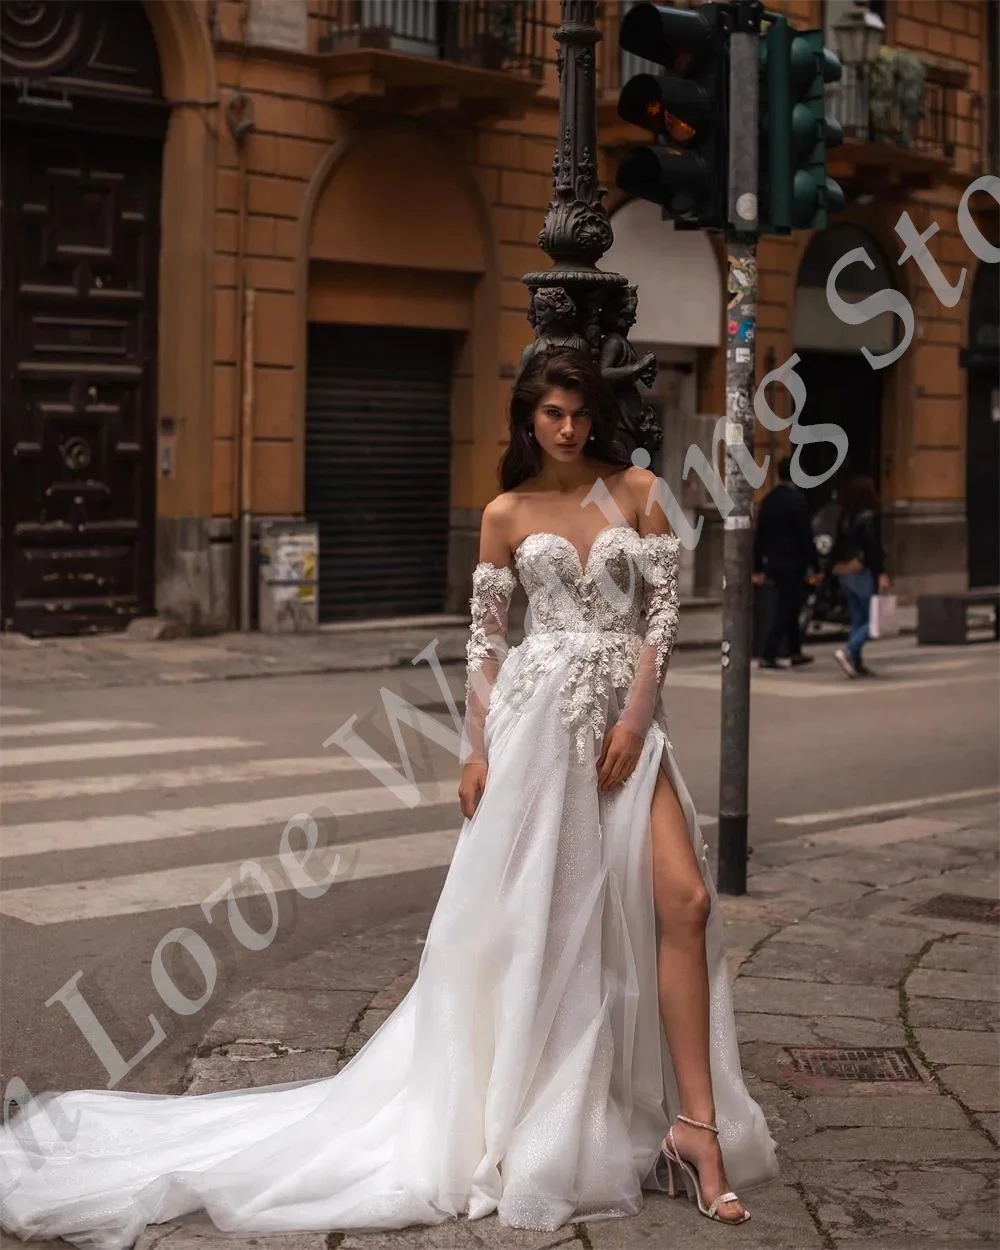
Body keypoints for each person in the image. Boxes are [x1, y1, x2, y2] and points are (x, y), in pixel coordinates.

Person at [0, 351, 777, 1250]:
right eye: (553, 413)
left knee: (683, 900)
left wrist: (637, 724)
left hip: (622, 731)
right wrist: (475, 750)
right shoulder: (505, 513)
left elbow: (660, 623)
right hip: (535, 733)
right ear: (528, 421)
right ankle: (536, 1106)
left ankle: (697, 1127)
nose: (569, 428)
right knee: (543, 926)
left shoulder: (638, 488)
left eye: (580, 413)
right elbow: (484, 645)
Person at [752, 456, 818, 669]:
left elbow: (759, 536)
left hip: (773, 562)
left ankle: (795, 650)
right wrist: (814, 565)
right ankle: (769, 653)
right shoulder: (798, 501)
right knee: (786, 607)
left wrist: (758, 567)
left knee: (792, 604)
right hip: (793, 562)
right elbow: (805, 536)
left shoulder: (768, 500)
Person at [830, 473, 891, 678]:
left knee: (858, 619)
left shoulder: (845, 517)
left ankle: (856, 661)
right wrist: (881, 572)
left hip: (845, 572)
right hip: (863, 572)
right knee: (874, 621)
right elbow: (873, 548)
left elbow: (837, 544)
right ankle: (849, 650)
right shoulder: (869, 517)